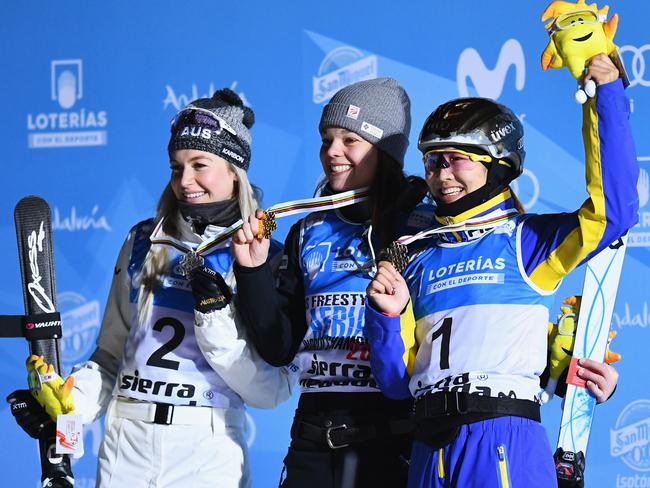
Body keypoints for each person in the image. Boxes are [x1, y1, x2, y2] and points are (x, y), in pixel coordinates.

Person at [365, 54, 636, 487]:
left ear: (497, 163)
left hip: (502, 438)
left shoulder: (525, 241)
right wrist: (385, 316)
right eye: (432, 162)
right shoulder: (416, 255)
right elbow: (397, 383)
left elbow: (614, 214)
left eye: (455, 159)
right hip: (428, 449)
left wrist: (606, 95)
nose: (440, 175)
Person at [16, 89, 294, 488]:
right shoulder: (144, 240)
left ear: (236, 171)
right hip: (126, 444)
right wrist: (69, 406)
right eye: (176, 167)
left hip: (207, 446)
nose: (185, 181)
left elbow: (270, 392)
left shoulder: (264, 254)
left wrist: (216, 322)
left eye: (200, 164)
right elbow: (110, 356)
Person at [232, 78, 428, 487]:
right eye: (326, 140)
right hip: (314, 436)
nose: (332, 153)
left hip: (394, 438)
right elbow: (278, 346)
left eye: (349, 140)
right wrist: (252, 273)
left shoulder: (420, 224)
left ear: (384, 151)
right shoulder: (307, 228)